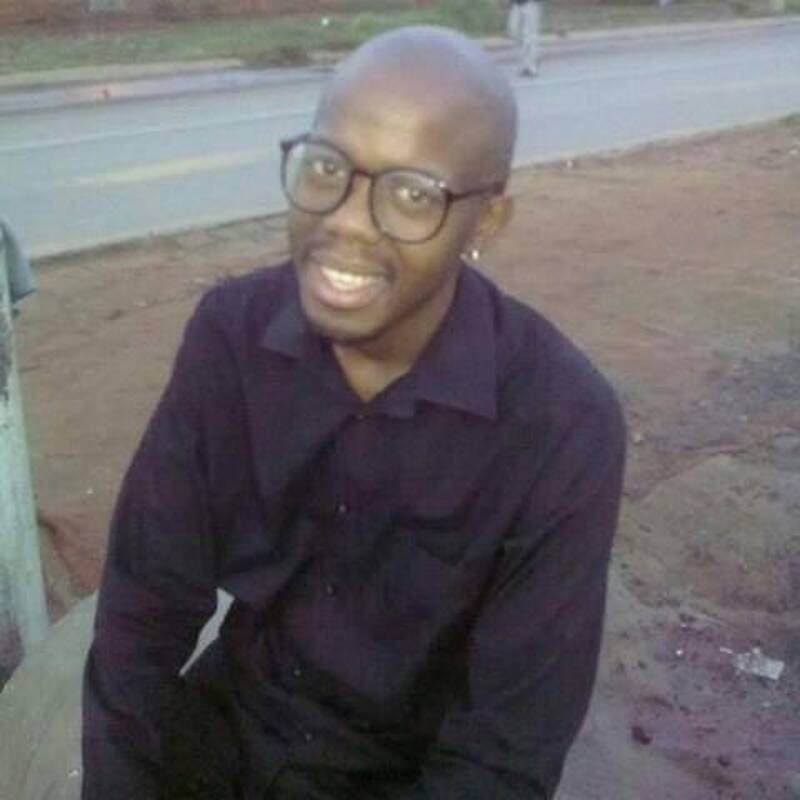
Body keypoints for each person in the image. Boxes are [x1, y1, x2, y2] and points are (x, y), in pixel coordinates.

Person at [82, 25, 625, 800]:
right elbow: (143, 612)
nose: (346, 220)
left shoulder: (561, 427)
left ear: (486, 222)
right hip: (225, 735)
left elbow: (504, 753)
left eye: (412, 194)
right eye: (327, 167)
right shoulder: (230, 339)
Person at [507, 0, 542, 77]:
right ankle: (525, 64)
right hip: (517, 4)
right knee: (514, 32)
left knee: (530, 37)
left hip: (530, 4)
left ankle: (530, 66)